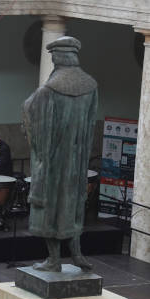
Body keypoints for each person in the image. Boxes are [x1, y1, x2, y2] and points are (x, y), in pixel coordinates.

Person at [22, 36, 97, 272]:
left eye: (54, 57)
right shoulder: (91, 86)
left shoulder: (49, 89)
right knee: (74, 205)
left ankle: (54, 259)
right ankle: (77, 253)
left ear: (59, 57)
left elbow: (31, 113)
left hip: (54, 162)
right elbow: (92, 123)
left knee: (51, 209)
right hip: (77, 160)